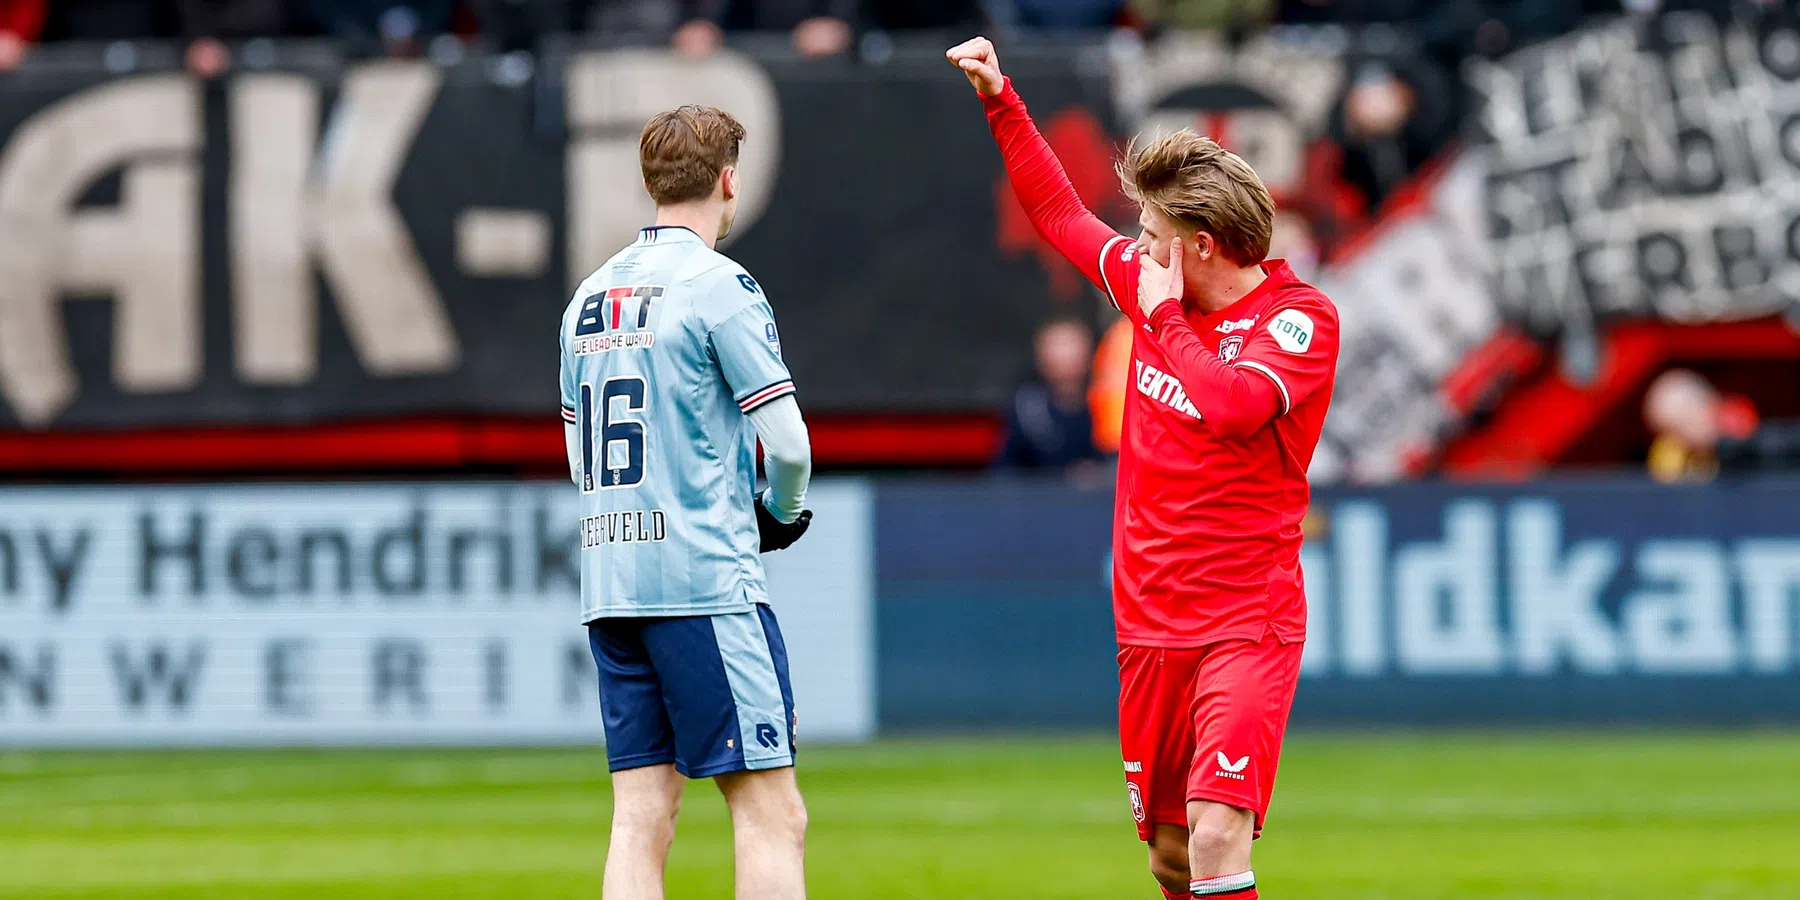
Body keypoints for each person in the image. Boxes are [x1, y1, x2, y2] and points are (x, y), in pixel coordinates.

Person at [948, 36, 1340, 900]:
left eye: (1154, 236)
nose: (1138, 247)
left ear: (1201, 245)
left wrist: (1162, 323)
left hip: (1247, 619)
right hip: (1149, 622)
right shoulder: (1154, 284)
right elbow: (1059, 215)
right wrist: (1001, 100)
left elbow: (1236, 407)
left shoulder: (1300, 320)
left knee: (1214, 831)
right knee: (1168, 855)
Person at [558, 105, 815, 900]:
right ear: (729, 180)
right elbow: (792, 446)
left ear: (651, 182)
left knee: (641, 816)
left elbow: (579, 459)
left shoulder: (587, 299)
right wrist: (780, 511)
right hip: (701, 582)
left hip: (612, 583)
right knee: (771, 811)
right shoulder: (718, 285)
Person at [995, 318, 1106, 474]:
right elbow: (1005, 472)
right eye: (1056, 346)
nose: (1065, 355)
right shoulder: (1027, 409)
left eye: (1071, 344)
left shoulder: (1109, 404)